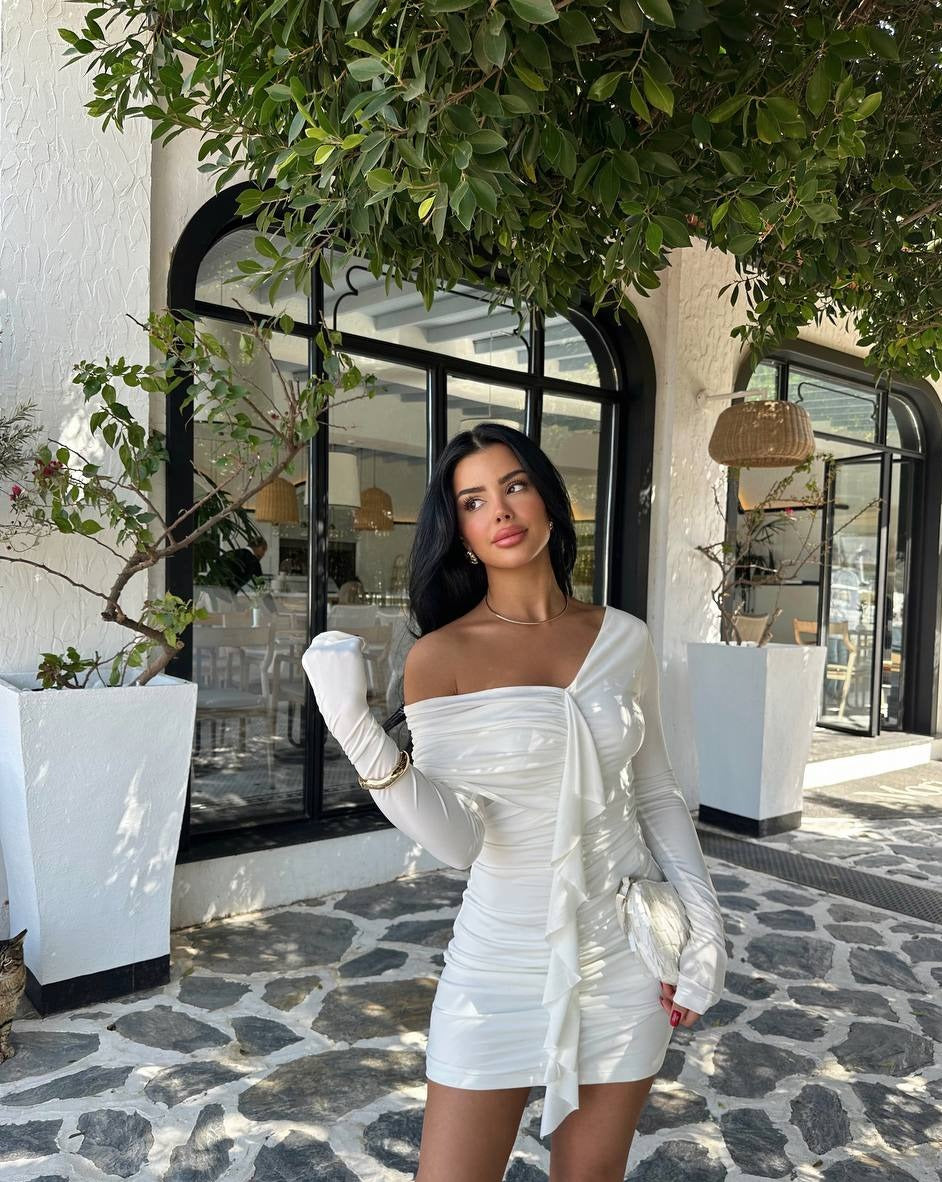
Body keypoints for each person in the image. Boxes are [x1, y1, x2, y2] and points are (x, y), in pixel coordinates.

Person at [302, 422, 727, 1182]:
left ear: (549, 502)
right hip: (497, 962)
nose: (499, 510)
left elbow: (657, 793)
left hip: (624, 956)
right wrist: (355, 728)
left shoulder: (623, 638)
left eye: (515, 485)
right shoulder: (442, 657)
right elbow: (458, 841)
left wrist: (705, 928)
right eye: (473, 500)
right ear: (460, 531)